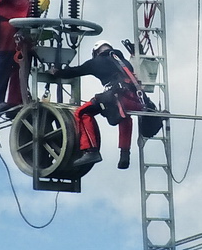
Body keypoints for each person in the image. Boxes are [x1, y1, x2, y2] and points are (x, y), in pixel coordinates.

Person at [50, 40, 145, 170]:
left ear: (96, 52)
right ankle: (124, 155)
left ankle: (91, 151)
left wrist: (57, 72)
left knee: (82, 112)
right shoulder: (124, 62)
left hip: (116, 96)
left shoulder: (96, 62)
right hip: (134, 100)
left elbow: (75, 71)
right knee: (124, 116)